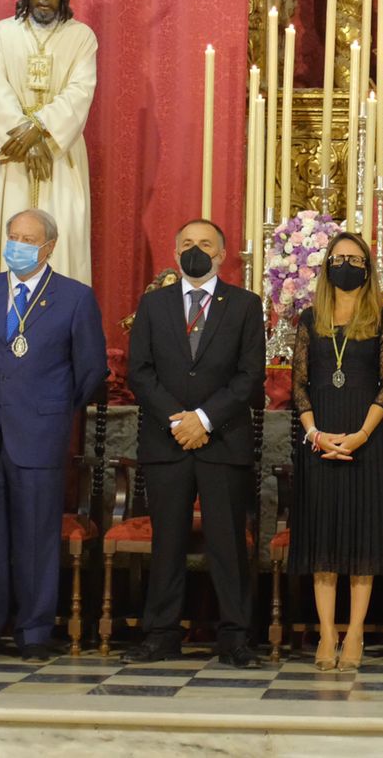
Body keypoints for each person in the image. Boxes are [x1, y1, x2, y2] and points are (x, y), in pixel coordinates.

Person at [0, 208, 106, 660]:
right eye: (12, 236)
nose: (17, 245)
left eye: (27, 239)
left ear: (49, 247)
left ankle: (34, 631)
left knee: (37, 536)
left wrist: (52, 409)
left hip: (40, 432)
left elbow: (91, 367)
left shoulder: (74, 297)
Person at [127, 219, 265, 666]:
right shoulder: (153, 305)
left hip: (222, 439)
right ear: (175, 253)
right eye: (187, 243)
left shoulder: (245, 305)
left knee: (227, 542)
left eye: (205, 244)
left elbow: (250, 376)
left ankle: (235, 636)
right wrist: (178, 420)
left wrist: (204, 419)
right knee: (167, 541)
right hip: (167, 441)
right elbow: (140, 372)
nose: (196, 251)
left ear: (222, 254)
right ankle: (161, 633)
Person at [287, 231, 383, 670]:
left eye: (354, 258)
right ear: (326, 266)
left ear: (367, 268)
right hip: (319, 440)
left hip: (364, 441)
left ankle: (354, 634)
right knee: (323, 541)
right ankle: (326, 633)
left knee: (361, 541)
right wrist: (315, 435)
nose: (346, 264)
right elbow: (297, 385)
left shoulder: (382, 319)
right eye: (339, 257)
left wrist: (360, 435)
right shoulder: (308, 319)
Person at [0, 0, 99, 282]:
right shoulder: (3, 34)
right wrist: (28, 140)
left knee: (64, 238)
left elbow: (80, 92)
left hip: (59, 157)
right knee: (13, 234)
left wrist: (42, 134)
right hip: (15, 153)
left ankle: (60, 327)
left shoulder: (82, 37)